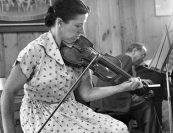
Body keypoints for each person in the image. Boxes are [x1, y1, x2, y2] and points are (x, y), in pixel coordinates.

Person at [1, 0, 144, 133]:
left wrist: (122, 87)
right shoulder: (34, 51)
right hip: (39, 114)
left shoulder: (80, 52)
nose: (82, 31)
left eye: (83, 25)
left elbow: (87, 93)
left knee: (118, 128)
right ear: (60, 23)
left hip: (70, 109)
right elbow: (7, 93)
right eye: (77, 25)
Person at [89, 43, 162, 133]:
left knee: (142, 100)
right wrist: (141, 82)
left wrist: (139, 81)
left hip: (102, 100)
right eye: (142, 55)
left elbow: (122, 78)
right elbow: (119, 79)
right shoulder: (126, 58)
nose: (143, 59)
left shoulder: (118, 58)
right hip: (110, 100)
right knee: (146, 103)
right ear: (134, 51)